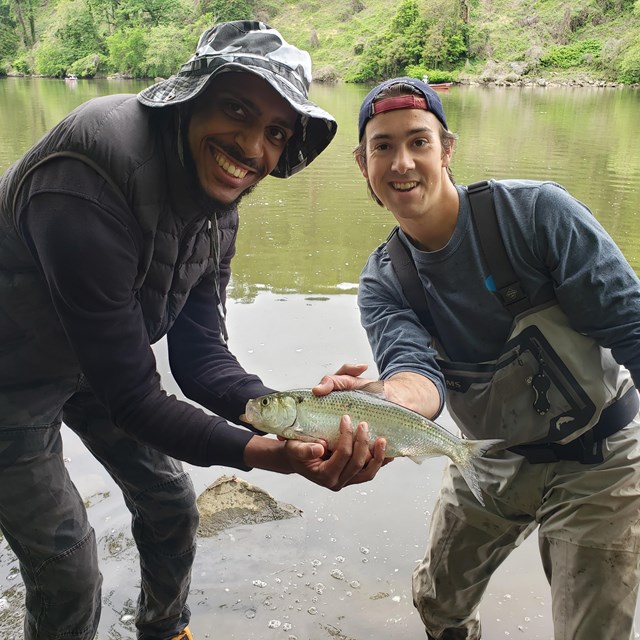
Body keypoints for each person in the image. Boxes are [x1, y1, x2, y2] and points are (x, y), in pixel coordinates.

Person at [0, 21, 387, 640]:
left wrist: (287, 416)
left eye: (277, 132)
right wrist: (265, 455)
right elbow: (131, 397)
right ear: (189, 97)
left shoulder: (216, 206)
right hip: (10, 375)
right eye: (237, 108)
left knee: (171, 504)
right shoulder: (87, 173)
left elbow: (202, 357)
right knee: (67, 564)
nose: (253, 148)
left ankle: (163, 629)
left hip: (94, 358)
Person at [342, 76, 640, 639]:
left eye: (418, 142)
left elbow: (631, 327)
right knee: (438, 601)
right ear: (363, 163)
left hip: (600, 457)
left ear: (447, 149)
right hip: (488, 456)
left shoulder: (538, 215)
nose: (401, 163)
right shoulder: (384, 279)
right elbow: (415, 374)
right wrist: (383, 399)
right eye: (382, 146)